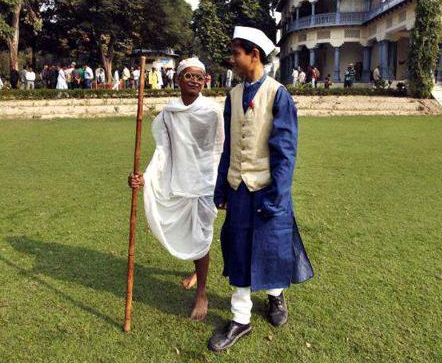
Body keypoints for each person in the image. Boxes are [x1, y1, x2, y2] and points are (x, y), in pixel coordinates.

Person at [208, 26, 314, 352]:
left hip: (268, 188)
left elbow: (285, 151)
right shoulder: (233, 96)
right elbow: (228, 147)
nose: (231, 60)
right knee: (239, 250)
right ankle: (241, 319)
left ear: (253, 55)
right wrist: (222, 186)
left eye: (236, 53)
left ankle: (275, 297)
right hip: (239, 188)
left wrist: (278, 196)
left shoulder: (279, 94)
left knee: (272, 248)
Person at [128, 57, 223, 321]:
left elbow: (220, 148)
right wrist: (144, 178)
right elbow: (163, 152)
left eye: (198, 76)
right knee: (192, 236)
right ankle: (198, 271)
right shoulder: (168, 115)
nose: (194, 80)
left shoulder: (213, 111)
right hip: (179, 181)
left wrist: (221, 182)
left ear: (205, 80)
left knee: (201, 237)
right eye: (188, 76)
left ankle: (202, 292)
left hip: (206, 183)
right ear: (177, 79)